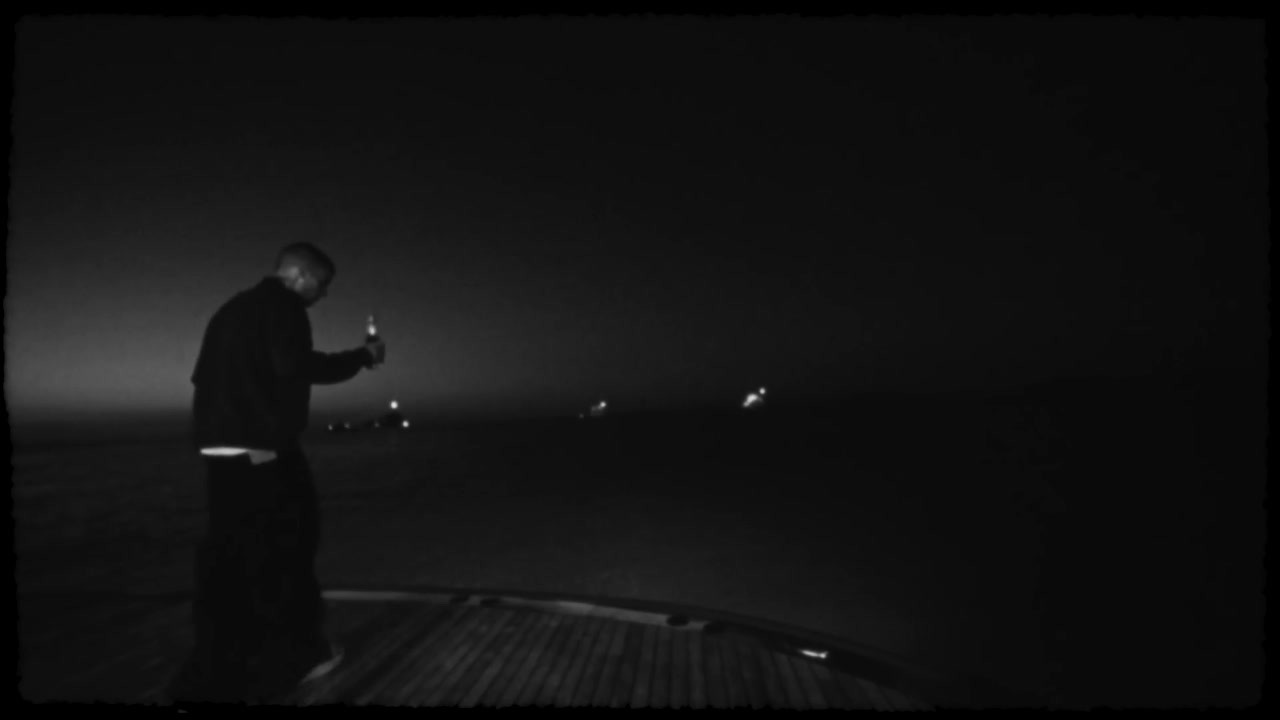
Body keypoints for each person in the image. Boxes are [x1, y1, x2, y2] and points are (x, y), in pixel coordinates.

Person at [167, 243, 387, 704]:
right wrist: (362, 357)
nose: (323, 295)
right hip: (262, 453)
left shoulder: (231, 311)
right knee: (290, 548)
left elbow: (203, 379)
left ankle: (213, 668)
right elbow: (298, 366)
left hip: (219, 454)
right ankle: (299, 655)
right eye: (322, 284)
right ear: (300, 276)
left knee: (228, 560)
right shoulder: (283, 308)